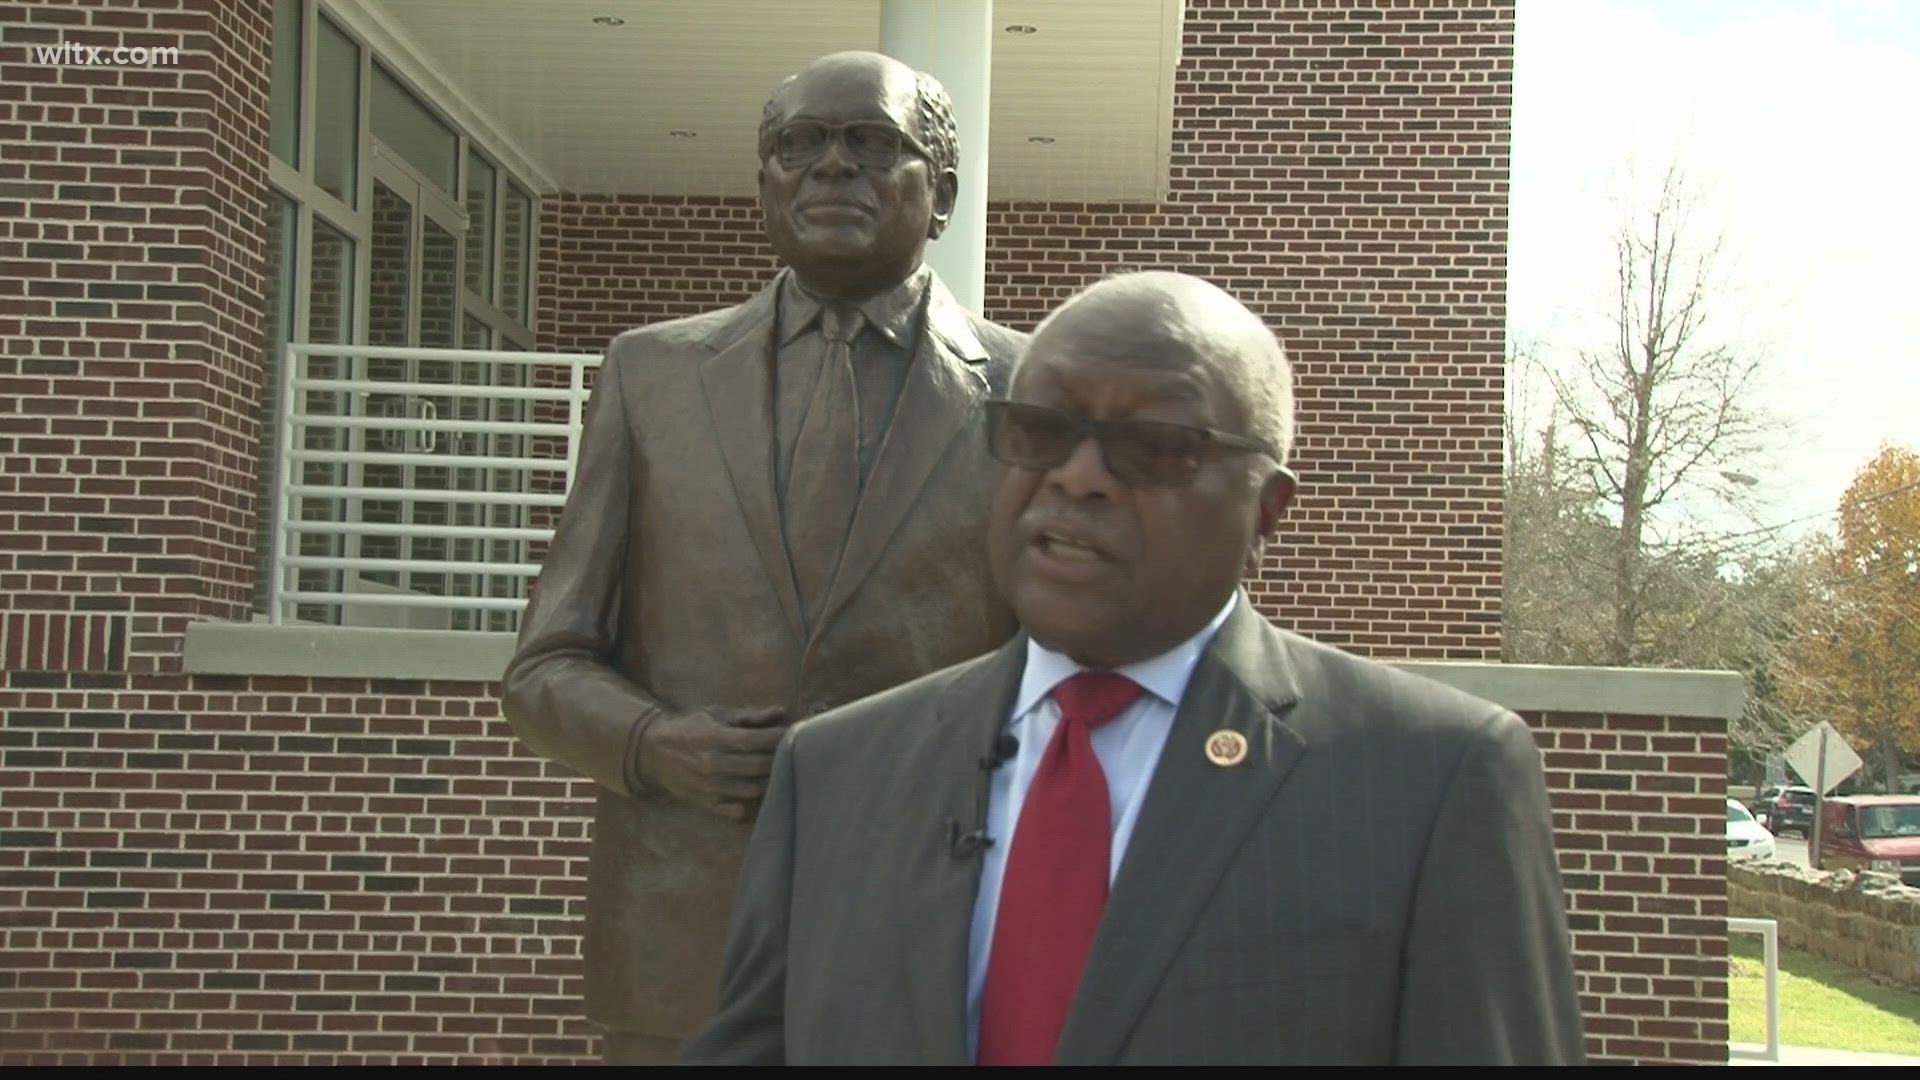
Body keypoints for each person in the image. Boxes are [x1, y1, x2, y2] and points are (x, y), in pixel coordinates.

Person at [681, 271, 1587, 1065]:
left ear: (1268, 509)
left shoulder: (1429, 779)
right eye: (1040, 431)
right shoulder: (836, 773)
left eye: (1156, 446)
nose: (1078, 478)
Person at [500, 52, 1027, 1064]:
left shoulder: (1032, 387)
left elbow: (1065, 672)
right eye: (800, 146)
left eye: (873, 144)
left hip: (927, 935)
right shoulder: (649, 375)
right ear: (764, 185)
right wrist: (655, 743)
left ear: (943, 194)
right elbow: (542, 670)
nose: (833, 168)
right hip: (681, 943)